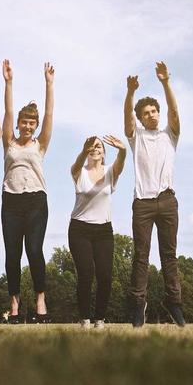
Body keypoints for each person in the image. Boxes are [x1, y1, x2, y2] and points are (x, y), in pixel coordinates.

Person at [123, 62, 185, 328]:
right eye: (145, 113)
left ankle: (174, 303)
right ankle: (138, 307)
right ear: (140, 118)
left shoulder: (169, 134)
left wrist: (166, 81)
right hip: (143, 203)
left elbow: (174, 110)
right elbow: (127, 116)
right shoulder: (135, 136)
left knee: (169, 256)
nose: (151, 115)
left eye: (153, 111)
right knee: (141, 256)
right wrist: (130, 93)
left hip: (168, 200)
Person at [0, 60, 54, 324]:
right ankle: (14, 303)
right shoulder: (8, 141)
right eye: (25, 122)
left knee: (34, 250)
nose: (28, 126)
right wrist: (9, 82)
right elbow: (7, 111)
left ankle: (40, 299)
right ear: (18, 123)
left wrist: (49, 84)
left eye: (32, 123)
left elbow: (50, 116)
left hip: (36, 201)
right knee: (12, 253)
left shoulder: (40, 144)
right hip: (10, 201)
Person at [69, 135, 126, 329]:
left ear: (104, 152)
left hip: (103, 230)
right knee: (86, 273)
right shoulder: (79, 171)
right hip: (79, 229)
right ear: (86, 151)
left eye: (99, 146)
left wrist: (123, 149)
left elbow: (121, 162)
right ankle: (85, 318)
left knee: (105, 275)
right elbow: (77, 164)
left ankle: (99, 319)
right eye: (92, 147)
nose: (96, 149)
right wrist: (83, 152)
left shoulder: (110, 171)